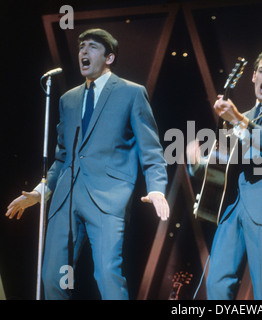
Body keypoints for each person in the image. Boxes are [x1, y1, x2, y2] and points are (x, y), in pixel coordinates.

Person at [5, 28, 169, 300]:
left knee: (107, 275)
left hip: (107, 198)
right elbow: (62, 157)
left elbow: (150, 149)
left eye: (92, 47)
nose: (84, 51)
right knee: (53, 278)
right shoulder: (68, 99)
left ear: (109, 57)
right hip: (65, 200)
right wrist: (39, 193)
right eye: (82, 47)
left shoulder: (131, 93)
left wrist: (157, 188)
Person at [187, 50, 262, 299]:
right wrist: (196, 162)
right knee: (217, 285)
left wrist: (238, 119)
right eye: (261, 70)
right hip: (231, 210)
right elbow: (219, 165)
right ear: (253, 77)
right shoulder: (240, 118)